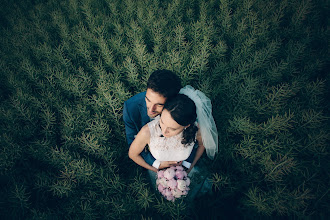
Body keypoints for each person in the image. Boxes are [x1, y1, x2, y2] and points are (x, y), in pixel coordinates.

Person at [128, 86, 218, 175]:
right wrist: (154, 168)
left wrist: (190, 166)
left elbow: (202, 145)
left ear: (186, 126)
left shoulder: (196, 130)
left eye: (172, 129)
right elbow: (132, 154)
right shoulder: (147, 131)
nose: (164, 131)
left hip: (184, 173)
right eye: (162, 122)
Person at [123, 70, 197, 170]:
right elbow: (132, 143)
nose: (150, 109)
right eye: (148, 99)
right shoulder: (130, 108)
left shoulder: (182, 111)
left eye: (159, 105)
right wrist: (156, 164)